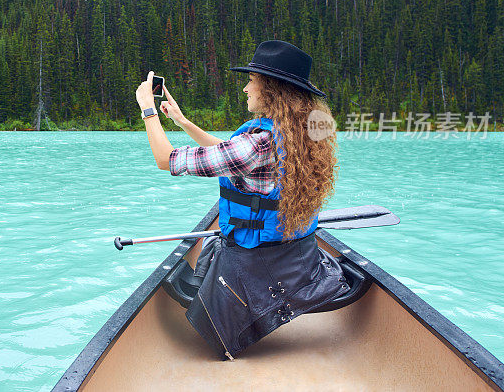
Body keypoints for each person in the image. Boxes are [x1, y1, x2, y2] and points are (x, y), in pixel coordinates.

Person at [134, 39, 350, 360]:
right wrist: (182, 120)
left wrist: (147, 109)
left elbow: (166, 159)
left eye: (252, 81)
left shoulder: (258, 143)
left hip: (257, 262)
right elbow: (230, 154)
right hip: (297, 258)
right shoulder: (299, 130)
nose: (246, 89)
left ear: (272, 90)